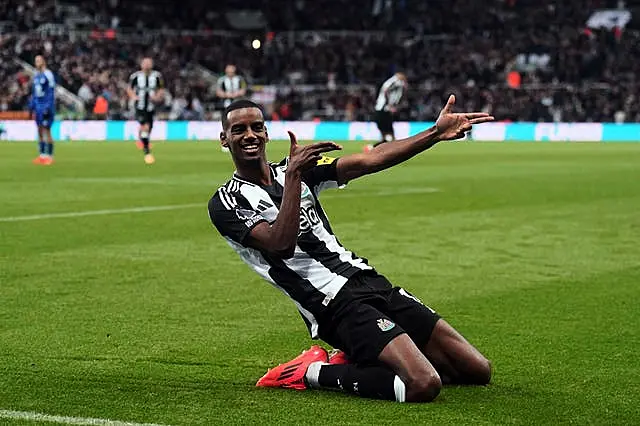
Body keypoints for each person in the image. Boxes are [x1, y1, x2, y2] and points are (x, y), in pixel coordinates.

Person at [208, 97, 494, 403]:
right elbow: (281, 245)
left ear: (266, 133)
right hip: (332, 304)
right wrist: (293, 178)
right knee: (422, 383)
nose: (249, 135)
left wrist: (434, 134)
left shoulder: (296, 171)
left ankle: (363, 355)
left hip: (369, 280)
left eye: (256, 127)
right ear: (225, 139)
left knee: (477, 370)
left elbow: (371, 160)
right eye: (239, 130)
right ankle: (310, 372)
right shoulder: (227, 202)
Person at [127, 57, 165, 165]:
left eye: (149, 63)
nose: (147, 65)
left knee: (149, 127)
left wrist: (157, 96)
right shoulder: (135, 76)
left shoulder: (157, 76)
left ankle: (142, 140)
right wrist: (134, 97)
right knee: (145, 126)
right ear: (141, 65)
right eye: (145, 63)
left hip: (151, 106)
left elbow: (161, 89)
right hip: (139, 105)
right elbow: (129, 88)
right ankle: (147, 151)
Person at [365, 72, 408, 152]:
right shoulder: (395, 81)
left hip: (380, 111)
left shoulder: (392, 82)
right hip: (383, 111)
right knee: (390, 136)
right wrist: (390, 105)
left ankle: (372, 148)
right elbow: (386, 90)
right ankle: (374, 148)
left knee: (387, 136)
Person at [30, 55, 56, 165]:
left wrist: (48, 107)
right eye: (36, 61)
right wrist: (32, 107)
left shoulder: (48, 74)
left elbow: (51, 92)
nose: (37, 62)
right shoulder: (36, 76)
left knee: (47, 130)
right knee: (39, 130)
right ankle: (42, 156)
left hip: (46, 106)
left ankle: (50, 156)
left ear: (43, 62)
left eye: (39, 60)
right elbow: (34, 94)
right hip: (38, 107)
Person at [216, 64, 247, 153]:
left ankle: (240, 142)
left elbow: (243, 90)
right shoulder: (222, 80)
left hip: (238, 105)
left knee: (239, 123)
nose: (230, 73)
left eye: (232, 71)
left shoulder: (240, 79)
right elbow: (218, 92)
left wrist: (236, 94)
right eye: (229, 71)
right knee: (226, 125)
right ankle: (226, 143)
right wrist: (227, 95)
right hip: (226, 105)